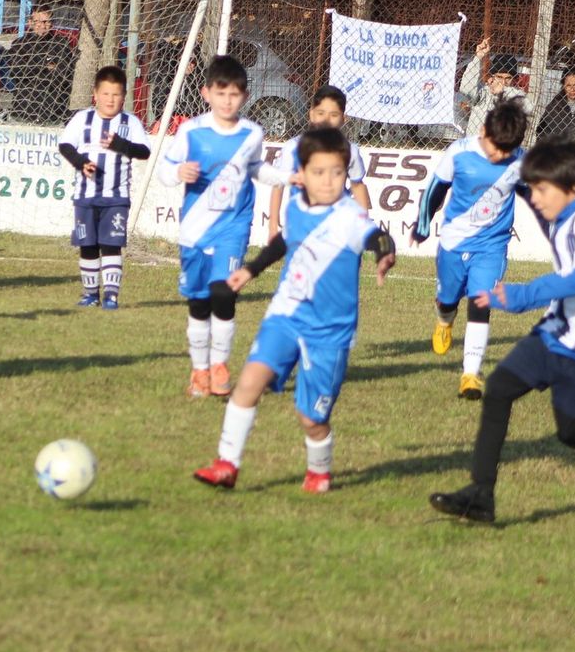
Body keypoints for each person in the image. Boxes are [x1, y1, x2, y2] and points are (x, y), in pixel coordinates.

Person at [428, 136, 575, 525]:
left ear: (573, 188)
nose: (535, 197)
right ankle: (481, 495)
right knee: (499, 390)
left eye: (542, 189)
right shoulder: (561, 218)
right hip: (557, 331)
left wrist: (523, 294)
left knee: (571, 430)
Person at [193, 126, 398, 493]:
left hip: (329, 332)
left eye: (338, 172)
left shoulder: (350, 216)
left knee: (311, 419)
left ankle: (319, 470)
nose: (329, 181)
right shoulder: (296, 205)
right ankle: (226, 464)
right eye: (319, 172)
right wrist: (249, 271)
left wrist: (385, 252)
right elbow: (285, 241)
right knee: (249, 384)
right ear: (300, 174)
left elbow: (376, 235)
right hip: (286, 315)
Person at [156, 54, 287, 398]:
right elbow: (165, 169)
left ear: (244, 96)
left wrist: (288, 178)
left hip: (233, 226)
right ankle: (199, 371)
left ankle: (219, 365)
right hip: (194, 230)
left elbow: (256, 168)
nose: (228, 101)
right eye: (221, 93)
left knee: (223, 292)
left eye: (235, 94)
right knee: (199, 302)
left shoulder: (251, 133)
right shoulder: (191, 132)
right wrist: (178, 173)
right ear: (206, 93)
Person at [410, 100, 531, 399]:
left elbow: (536, 196)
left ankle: (471, 375)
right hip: (453, 242)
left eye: (507, 151)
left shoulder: (519, 161)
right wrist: (423, 226)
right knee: (448, 299)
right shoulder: (459, 152)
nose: (499, 156)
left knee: (481, 301)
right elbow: (435, 191)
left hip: (492, 245)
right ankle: (444, 320)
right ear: (482, 131)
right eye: (495, 148)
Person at [57, 66, 151, 310]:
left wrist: (121, 145)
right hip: (85, 197)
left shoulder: (130, 122)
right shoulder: (82, 119)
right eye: (106, 94)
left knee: (111, 245)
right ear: (95, 95)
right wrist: (81, 163)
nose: (111, 100)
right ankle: (90, 294)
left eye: (116, 94)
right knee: (87, 245)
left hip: (116, 198)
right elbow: (65, 145)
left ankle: (111, 295)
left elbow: (144, 151)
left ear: (124, 96)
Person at [267, 85, 370, 241]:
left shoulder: (350, 151)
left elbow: (358, 186)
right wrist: (272, 226)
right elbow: (279, 184)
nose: (326, 120)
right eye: (321, 113)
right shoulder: (293, 148)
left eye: (334, 114)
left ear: (344, 118)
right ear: (312, 115)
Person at [4, 6, 74, 123]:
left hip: (53, 112)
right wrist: (45, 64)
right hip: (23, 110)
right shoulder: (20, 44)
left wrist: (30, 66)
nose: (42, 26)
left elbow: (62, 75)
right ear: (30, 22)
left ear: (51, 23)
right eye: (37, 22)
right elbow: (15, 72)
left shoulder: (61, 43)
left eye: (45, 22)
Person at [457, 37, 529, 140]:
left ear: (514, 80)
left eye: (508, 78)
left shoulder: (517, 96)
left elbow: (528, 107)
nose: (503, 82)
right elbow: (466, 90)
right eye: (499, 77)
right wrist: (478, 58)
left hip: (503, 147)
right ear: (492, 77)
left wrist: (504, 92)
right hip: (477, 145)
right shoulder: (484, 93)